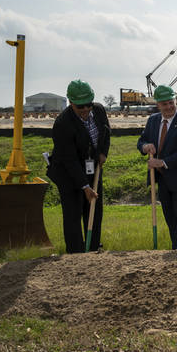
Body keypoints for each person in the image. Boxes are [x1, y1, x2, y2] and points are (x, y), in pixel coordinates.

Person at [47, 79, 110, 253]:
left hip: (92, 167)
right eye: (80, 106)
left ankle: (93, 247)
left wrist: (103, 153)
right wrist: (84, 186)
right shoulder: (62, 124)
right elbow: (69, 160)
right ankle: (75, 252)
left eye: (88, 105)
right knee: (73, 213)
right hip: (68, 173)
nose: (85, 110)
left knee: (94, 210)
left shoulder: (98, 110)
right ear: (71, 103)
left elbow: (106, 133)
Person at [137, 85, 177, 249]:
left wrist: (162, 162)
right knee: (170, 218)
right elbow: (141, 141)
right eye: (165, 104)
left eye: (171, 102)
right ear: (158, 105)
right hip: (163, 180)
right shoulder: (153, 120)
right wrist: (145, 147)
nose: (169, 107)